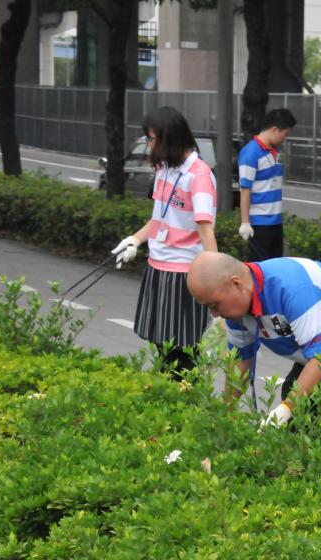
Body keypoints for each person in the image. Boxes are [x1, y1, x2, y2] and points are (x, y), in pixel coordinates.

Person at [187, 251, 321, 462]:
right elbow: (240, 363)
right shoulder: (236, 310)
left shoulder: (290, 287)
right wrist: (225, 415)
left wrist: (286, 408)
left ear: (236, 283)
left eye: (214, 305)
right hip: (318, 354)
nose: (214, 314)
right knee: (293, 444)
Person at [111, 106, 217, 379]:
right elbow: (158, 218)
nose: (148, 145)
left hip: (183, 274)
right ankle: (168, 401)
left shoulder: (199, 176)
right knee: (161, 346)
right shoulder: (164, 169)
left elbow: (206, 231)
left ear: (169, 138)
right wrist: (134, 240)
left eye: (152, 138)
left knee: (182, 352)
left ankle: (184, 404)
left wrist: (215, 281)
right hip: (158, 267)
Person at [237, 108, 297, 260]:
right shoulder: (250, 153)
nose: (285, 139)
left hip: (275, 222)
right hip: (260, 224)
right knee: (261, 269)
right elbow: (245, 189)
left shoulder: (272, 151)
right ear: (275, 129)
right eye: (285, 134)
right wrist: (245, 222)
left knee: (274, 267)